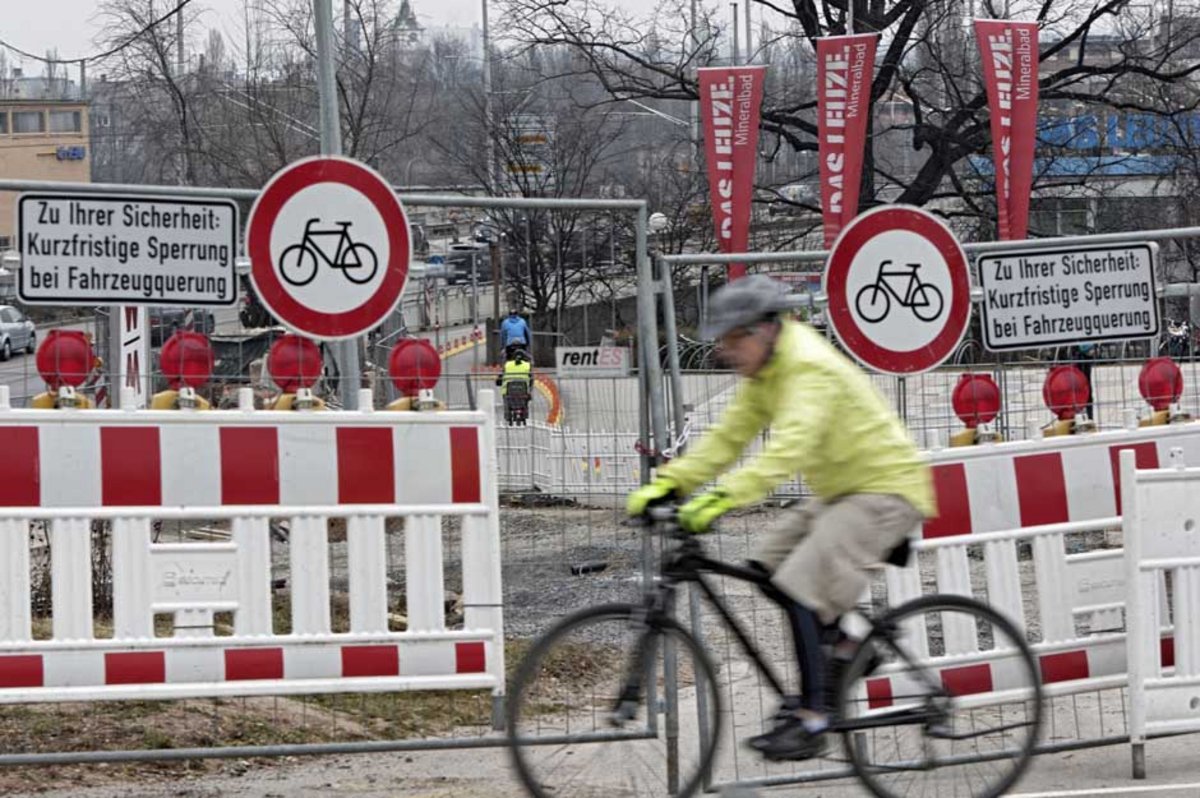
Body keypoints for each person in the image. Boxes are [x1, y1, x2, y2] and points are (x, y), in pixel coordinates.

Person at [627, 275, 935, 761]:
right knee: (765, 569)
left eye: (734, 339)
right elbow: (729, 438)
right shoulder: (764, 374)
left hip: (884, 489)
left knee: (799, 586)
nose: (728, 352)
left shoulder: (807, 367)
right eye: (722, 341)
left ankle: (813, 718)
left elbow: (788, 449)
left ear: (766, 329)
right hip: (841, 490)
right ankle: (849, 649)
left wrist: (720, 500)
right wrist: (673, 483)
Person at [496, 349, 533, 424]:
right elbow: (531, 378)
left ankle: (508, 415)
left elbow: (501, 377)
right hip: (523, 390)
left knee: (506, 400)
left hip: (508, 390)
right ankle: (524, 413)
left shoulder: (507, 365)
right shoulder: (527, 365)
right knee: (527, 398)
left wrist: (498, 381)